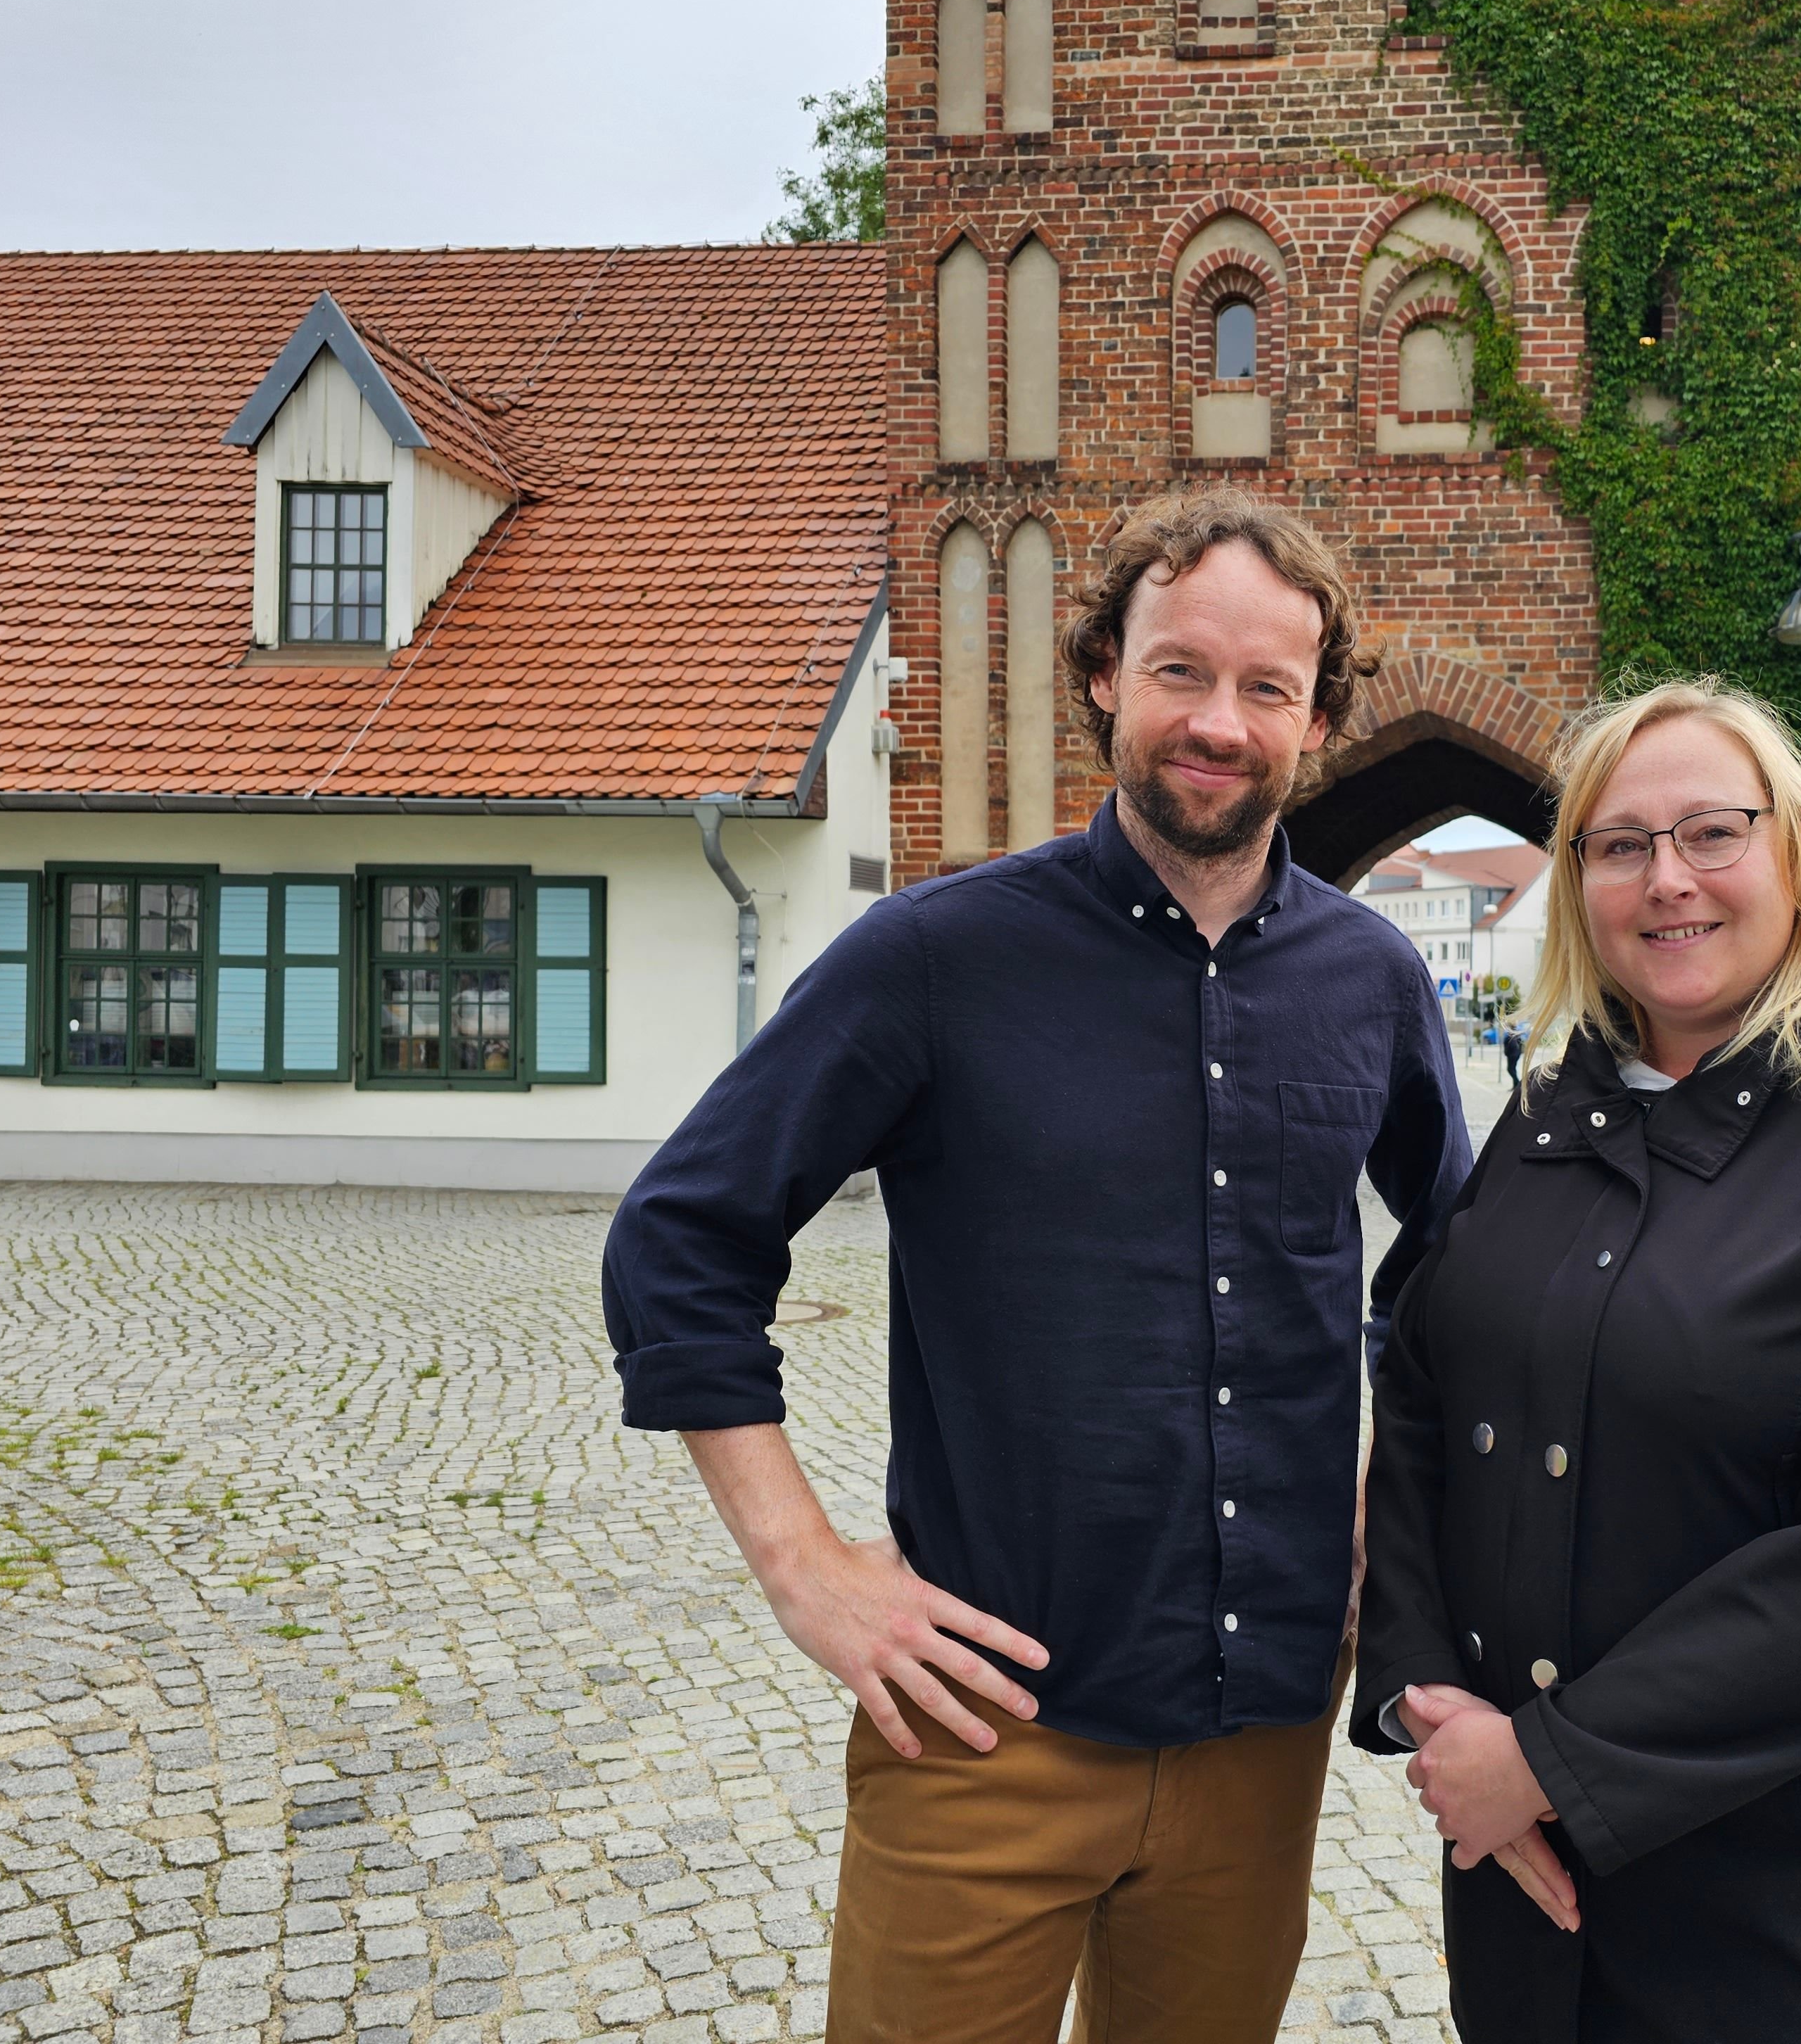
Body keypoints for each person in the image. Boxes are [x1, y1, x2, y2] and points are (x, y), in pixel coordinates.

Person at [604, 485, 1473, 2044]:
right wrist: (807, 1570)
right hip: (984, 1730)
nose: (1219, 721)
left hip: (1256, 1729)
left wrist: (1380, 1494)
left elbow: (1457, 1265)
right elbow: (684, 1238)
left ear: (1318, 718)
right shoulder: (934, 958)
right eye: (1179, 670)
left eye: (1266, 688)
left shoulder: (1371, 978)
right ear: (1102, 674)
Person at [1352, 678, 1801, 2043]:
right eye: (1619, 846)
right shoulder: (1549, 1116)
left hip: (1786, 1872)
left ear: (1793, 853)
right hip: (1520, 1861)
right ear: (1576, 886)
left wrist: (1546, 1763)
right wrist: (1423, 1696)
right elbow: (1428, 1389)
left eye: (1709, 834)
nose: (1664, 879)